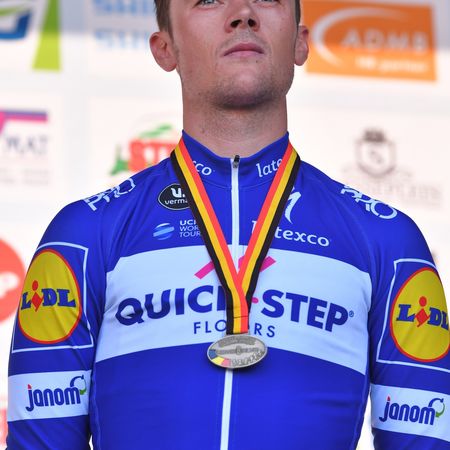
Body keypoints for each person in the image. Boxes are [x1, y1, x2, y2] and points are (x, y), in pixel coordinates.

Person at [6, 0, 450, 448]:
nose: (243, 13)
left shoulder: (387, 241)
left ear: (300, 42)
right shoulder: (83, 236)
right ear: (165, 48)